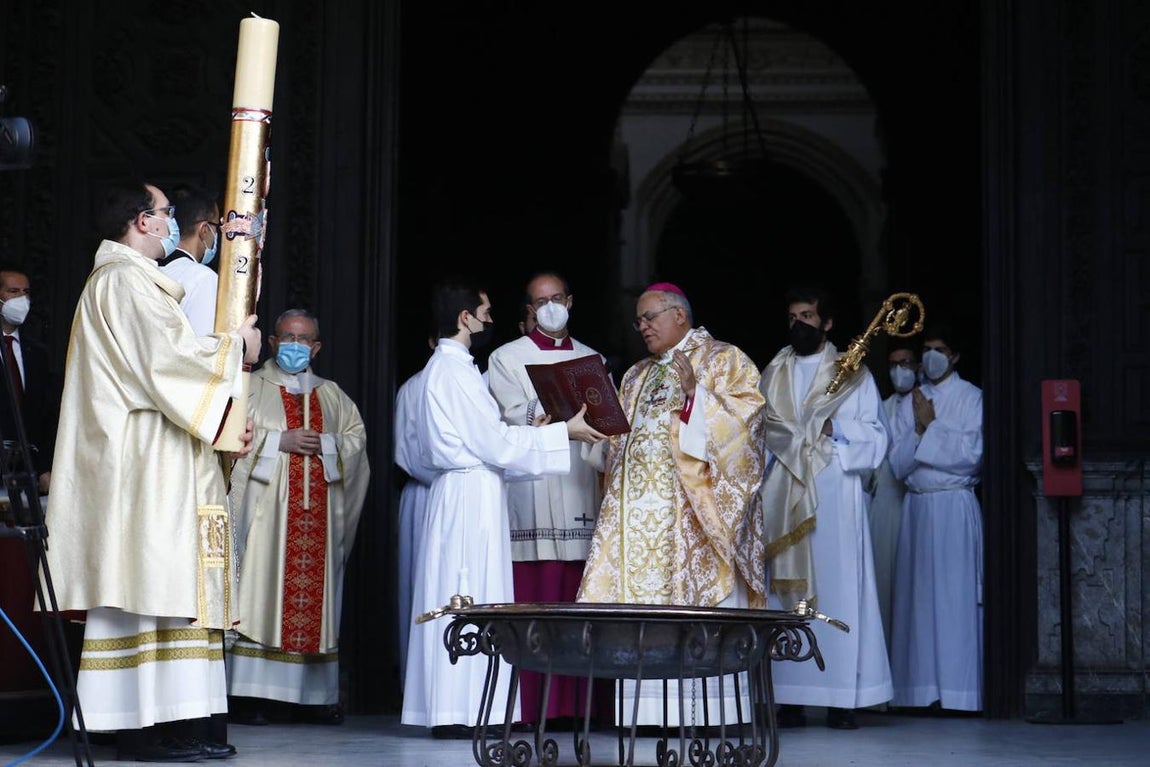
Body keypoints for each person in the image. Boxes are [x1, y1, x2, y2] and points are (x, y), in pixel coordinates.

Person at [43, 178, 260, 762]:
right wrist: (233, 348)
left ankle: (171, 724)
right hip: (143, 465)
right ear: (142, 221)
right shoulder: (121, 281)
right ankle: (139, 728)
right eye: (165, 213)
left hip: (161, 458)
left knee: (168, 588)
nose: (172, 222)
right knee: (145, 588)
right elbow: (166, 363)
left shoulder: (135, 281)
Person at [401, 282, 606, 738]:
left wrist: (540, 433)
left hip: (473, 489)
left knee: (473, 589)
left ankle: (468, 706)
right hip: (467, 496)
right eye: (484, 311)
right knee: (466, 588)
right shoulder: (452, 372)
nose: (489, 319)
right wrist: (563, 433)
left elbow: (492, 440)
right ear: (464, 318)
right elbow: (492, 443)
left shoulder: (455, 369)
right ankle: (459, 709)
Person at [577, 282, 767, 726]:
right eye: (638, 320)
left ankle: (710, 715)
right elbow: (616, 446)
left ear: (679, 315)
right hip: (637, 516)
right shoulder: (635, 374)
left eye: (650, 317)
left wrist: (696, 398)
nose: (642, 326)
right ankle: (645, 716)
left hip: (689, 518)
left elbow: (748, 429)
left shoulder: (724, 360)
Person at [226, 309, 371, 725]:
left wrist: (326, 444)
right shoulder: (250, 387)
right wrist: (278, 441)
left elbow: (356, 444)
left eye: (304, 338)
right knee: (260, 593)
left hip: (317, 518)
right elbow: (226, 439)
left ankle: (311, 697)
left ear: (317, 346)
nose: (295, 345)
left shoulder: (332, 395)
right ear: (271, 343)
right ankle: (252, 696)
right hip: (265, 521)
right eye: (287, 337)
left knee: (314, 599)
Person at [760, 287, 892, 730]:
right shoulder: (772, 372)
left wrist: (835, 426)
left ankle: (841, 698)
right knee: (785, 596)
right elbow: (758, 432)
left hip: (835, 493)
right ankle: (791, 698)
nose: (800, 323)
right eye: (794, 315)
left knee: (840, 589)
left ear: (828, 323)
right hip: (783, 492)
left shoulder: (852, 374)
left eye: (809, 315)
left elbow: (876, 435)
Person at [486, 272, 611, 727]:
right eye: (541, 302)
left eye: (557, 298)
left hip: (579, 483)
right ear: (528, 310)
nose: (550, 307)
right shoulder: (505, 358)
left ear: (571, 301)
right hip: (532, 491)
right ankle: (533, 707)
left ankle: (580, 708)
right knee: (535, 597)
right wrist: (552, 413)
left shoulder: (591, 358)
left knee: (579, 602)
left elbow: (606, 424)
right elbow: (506, 416)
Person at [888, 325, 983, 712]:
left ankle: (960, 694)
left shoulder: (972, 397)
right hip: (918, 505)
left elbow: (973, 454)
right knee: (917, 602)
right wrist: (920, 427)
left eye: (939, 349)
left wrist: (931, 426)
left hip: (953, 505)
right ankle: (918, 691)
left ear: (955, 356)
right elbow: (896, 463)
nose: (930, 357)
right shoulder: (913, 398)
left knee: (953, 598)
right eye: (926, 349)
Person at [868, 343, 918, 654]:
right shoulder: (881, 408)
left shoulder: (927, 405)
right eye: (894, 363)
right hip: (882, 504)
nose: (900, 370)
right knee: (882, 586)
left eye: (906, 362)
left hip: (910, 502)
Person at [394, 341, 436, 685]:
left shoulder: (478, 382)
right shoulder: (414, 387)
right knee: (421, 587)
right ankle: (418, 682)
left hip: (465, 493)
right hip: (427, 493)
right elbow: (407, 451)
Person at [0, 269, 58, 494]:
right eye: (13, 291)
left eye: (26, 292)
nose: (21, 299)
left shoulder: (37, 353)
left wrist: (44, 469)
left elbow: (45, 416)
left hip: (26, 475)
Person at [158, 184, 221, 335]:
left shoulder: (144, 267)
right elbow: (204, 349)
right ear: (204, 230)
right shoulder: (202, 278)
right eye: (217, 227)